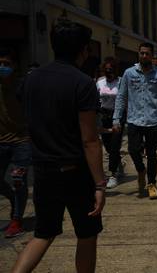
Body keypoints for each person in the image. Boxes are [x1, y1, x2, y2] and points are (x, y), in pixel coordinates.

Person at [12, 20, 106, 272]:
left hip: (43, 170)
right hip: (75, 172)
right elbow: (89, 139)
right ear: (83, 50)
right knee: (86, 234)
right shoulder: (83, 83)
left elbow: (25, 118)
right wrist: (99, 183)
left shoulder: (31, 80)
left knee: (43, 234)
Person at [113, 43, 157, 199]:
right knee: (132, 150)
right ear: (138, 54)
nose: (144, 56)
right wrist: (116, 119)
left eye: (147, 53)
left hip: (152, 121)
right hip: (133, 120)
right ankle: (140, 170)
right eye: (141, 53)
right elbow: (121, 97)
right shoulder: (129, 73)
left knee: (152, 155)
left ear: (152, 56)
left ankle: (151, 183)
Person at [0, 49, 31, 238]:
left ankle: (17, 219)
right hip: (1, 142)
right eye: (0, 63)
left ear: (15, 66)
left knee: (19, 180)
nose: (2, 67)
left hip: (22, 141)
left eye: (6, 64)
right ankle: (12, 199)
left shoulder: (23, 86)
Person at [96, 57, 125, 189]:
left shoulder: (121, 82)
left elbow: (126, 99)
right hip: (104, 116)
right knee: (108, 147)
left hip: (117, 116)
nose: (109, 72)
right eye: (106, 70)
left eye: (111, 69)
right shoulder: (100, 82)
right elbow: (96, 99)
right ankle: (119, 165)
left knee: (115, 145)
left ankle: (113, 174)